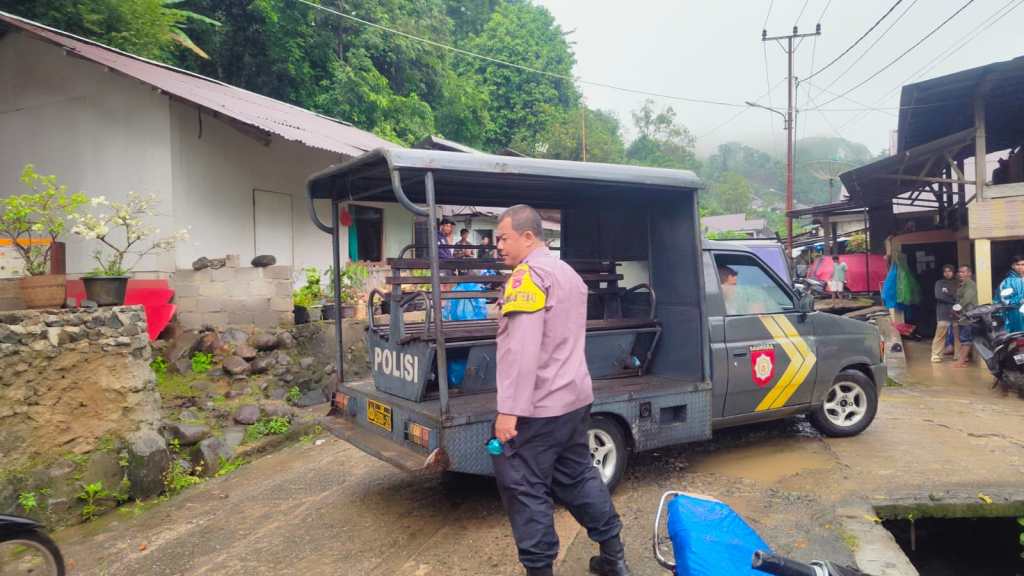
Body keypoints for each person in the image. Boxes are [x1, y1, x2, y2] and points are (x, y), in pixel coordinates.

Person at [492, 204, 629, 576]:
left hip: (538, 408)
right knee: (580, 476)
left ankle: (539, 570)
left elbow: (523, 349)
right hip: (573, 400)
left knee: (525, 487)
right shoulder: (566, 273)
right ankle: (613, 557)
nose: (498, 247)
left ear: (528, 236)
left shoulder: (526, 278)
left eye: (503, 238)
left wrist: (509, 410)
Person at [931, 264, 958, 363]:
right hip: (943, 311)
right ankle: (936, 355)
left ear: (953, 272)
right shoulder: (939, 283)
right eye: (945, 271)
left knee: (957, 334)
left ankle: (958, 355)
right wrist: (953, 299)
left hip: (956, 312)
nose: (947, 273)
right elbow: (939, 296)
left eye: (949, 271)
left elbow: (959, 296)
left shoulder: (957, 283)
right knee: (940, 334)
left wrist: (948, 293)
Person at [954, 265, 978, 367]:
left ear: (969, 273)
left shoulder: (970, 284)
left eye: (964, 272)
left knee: (966, 339)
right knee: (963, 338)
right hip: (963, 315)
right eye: (960, 272)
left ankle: (961, 362)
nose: (961, 274)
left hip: (969, 315)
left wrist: (956, 307)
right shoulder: (962, 285)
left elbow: (967, 299)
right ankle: (962, 360)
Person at [998, 255, 1024, 333]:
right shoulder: (1007, 282)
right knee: (1018, 337)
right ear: (1012, 266)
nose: (1020, 267)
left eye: (1023, 264)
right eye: (1017, 264)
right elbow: (1004, 300)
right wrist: (1020, 301)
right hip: (1015, 315)